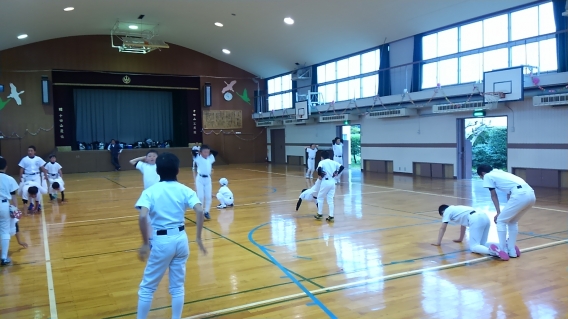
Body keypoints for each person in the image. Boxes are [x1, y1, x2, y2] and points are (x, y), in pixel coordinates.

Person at [135, 152, 207, 319]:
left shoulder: (150, 192)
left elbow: (143, 215)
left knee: (147, 288)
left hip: (162, 241)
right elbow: (199, 210)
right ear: (178, 170)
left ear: (157, 171)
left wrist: (145, 243)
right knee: (177, 287)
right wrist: (198, 237)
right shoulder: (185, 190)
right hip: (181, 240)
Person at [477, 164, 535, 261]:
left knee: (501, 221)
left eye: (481, 177)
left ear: (482, 173)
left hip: (519, 195)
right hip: (531, 194)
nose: (482, 179)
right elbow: (509, 194)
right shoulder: (499, 172)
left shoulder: (487, 176)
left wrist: (498, 212)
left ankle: (502, 249)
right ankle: (511, 250)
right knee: (512, 221)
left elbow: (493, 195)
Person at [432, 204, 513, 258]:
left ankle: (493, 251)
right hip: (484, 217)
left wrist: (438, 242)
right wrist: (460, 238)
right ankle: (505, 246)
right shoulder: (456, 209)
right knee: (482, 244)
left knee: (474, 247)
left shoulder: (447, 211)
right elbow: (463, 224)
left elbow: (443, 228)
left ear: (442, 212)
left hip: (475, 219)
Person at [0, 157, 21, 265]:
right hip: (3, 206)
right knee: (4, 232)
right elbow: (13, 196)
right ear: (6, 167)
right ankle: (3, 257)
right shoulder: (9, 179)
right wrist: (15, 209)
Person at [314, 151, 344, 222]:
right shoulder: (333, 162)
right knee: (330, 200)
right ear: (329, 156)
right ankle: (331, 216)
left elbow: (319, 169)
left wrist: (319, 175)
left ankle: (320, 214)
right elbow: (342, 167)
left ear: (322, 157)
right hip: (332, 181)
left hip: (325, 181)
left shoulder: (322, 162)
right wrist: (337, 173)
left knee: (320, 198)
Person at [194, 145, 215, 220]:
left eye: (208, 152)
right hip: (200, 178)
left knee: (208, 196)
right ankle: (200, 212)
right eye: (204, 152)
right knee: (200, 196)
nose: (206, 153)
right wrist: (199, 151)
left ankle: (206, 211)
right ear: (201, 152)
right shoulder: (198, 158)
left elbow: (216, 152)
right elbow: (193, 152)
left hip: (208, 179)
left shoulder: (210, 158)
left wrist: (209, 150)